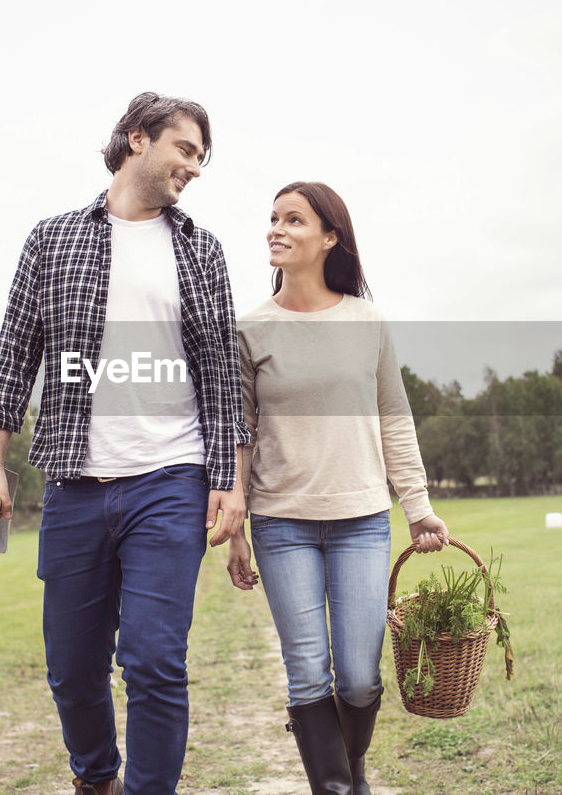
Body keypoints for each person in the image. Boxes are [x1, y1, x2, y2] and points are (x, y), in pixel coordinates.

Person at [0, 92, 249, 795]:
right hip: (75, 485)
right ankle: (95, 779)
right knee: (71, 668)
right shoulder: (51, 239)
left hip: (171, 479)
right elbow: (14, 353)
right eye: (185, 149)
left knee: (155, 660)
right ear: (138, 139)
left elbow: (221, 373)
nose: (194, 166)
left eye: (201, 157)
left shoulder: (200, 250)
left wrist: (230, 479)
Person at [226, 181, 450, 795]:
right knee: (306, 673)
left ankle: (349, 766)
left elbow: (393, 417)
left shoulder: (366, 321)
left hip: (361, 520)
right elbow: (238, 433)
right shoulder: (249, 328)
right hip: (281, 522)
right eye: (273, 218)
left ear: (329, 237)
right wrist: (235, 529)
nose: (276, 228)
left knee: (357, 678)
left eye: (293, 220)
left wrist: (419, 508)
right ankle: (335, 787)